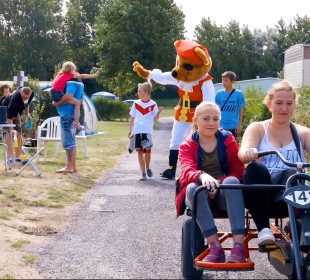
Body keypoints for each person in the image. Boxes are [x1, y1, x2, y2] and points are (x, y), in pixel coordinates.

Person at [238, 80, 310, 245]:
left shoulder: (302, 132)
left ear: (294, 106)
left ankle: (303, 232)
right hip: (260, 195)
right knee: (255, 167)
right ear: (269, 104)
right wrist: (249, 153)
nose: (284, 109)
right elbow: (243, 152)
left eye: (289, 103)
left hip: (288, 197)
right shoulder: (257, 128)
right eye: (279, 103)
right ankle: (264, 229)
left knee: (294, 172)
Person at [176, 101, 246, 263]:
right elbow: (186, 170)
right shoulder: (187, 145)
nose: (211, 123)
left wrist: (218, 183)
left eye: (215, 119)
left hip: (224, 194)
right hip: (200, 195)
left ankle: (238, 247)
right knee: (193, 188)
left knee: (233, 181)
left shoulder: (227, 140)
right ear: (196, 120)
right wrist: (203, 177)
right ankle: (215, 246)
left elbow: (238, 170)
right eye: (206, 119)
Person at [128, 82, 163, 181]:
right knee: (140, 153)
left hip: (147, 131)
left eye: (140, 91)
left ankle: (148, 168)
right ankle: (143, 173)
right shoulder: (136, 103)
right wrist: (130, 130)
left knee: (147, 152)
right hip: (137, 131)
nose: (138, 92)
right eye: (138, 91)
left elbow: (155, 119)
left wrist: (158, 112)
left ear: (146, 92)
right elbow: (132, 118)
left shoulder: (153, 104)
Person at [51, 61, 100, 129]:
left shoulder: (60, 74)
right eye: (74, 69)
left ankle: (56, 103)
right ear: (71, 69)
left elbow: (54, 84)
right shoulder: (70, 75)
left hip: (54, 93)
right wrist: (92, 76)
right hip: (58, 93)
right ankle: (76, 123)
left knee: (66, 101)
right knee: (77, 103)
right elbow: (82, 76)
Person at [55, 77, 84, 174]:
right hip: (72, 115)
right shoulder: (80, 85)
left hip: (66, 115)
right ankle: (73, 166)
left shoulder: (71, 83)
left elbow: (68, 97)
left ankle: (69, 167)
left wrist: (57, 103)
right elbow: (80, 101)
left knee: (68, 143)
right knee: (72, 141)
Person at [4, 86, 34, 164]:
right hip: (6, 113)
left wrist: (27, 114)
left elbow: (27, 104)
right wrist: (10, 128)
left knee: (19, 134)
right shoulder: (15, 98)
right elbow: (9, 115)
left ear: (30, 93)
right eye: (23, 97)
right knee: (10, 134)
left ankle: (18, 157)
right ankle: (9, 157)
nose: (24, 99)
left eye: (26, 97)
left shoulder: (31, 94)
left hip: (16, 113)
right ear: (21, 93)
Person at [215, 71, 245, 137]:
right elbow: (215, 110)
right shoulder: (219, 94)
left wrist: (239, 124)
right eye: (222, 80)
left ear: (232, 82)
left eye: (226, 80)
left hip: (233, 126)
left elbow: (241, 110)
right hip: (221, 127)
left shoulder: (239, 94)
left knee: (232, 146)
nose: (223, 82)